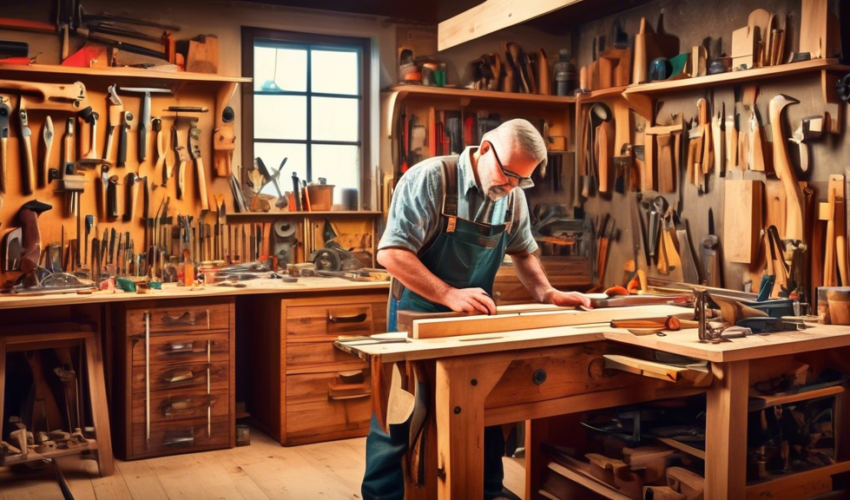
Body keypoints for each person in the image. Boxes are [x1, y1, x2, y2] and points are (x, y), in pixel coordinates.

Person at [362, 119, 591, 500]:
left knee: (480, 410)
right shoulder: (432, 180)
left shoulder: (512, 196)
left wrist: (547, 292)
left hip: (471, 319)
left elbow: (523, 251)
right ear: (485, 149)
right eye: (507, 174)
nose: (512, 186)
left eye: (523, 180)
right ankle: (382, 496)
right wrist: (449, 294)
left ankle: (485, 492)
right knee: (398, 414)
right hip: (414, 314)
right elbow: (391, 253)